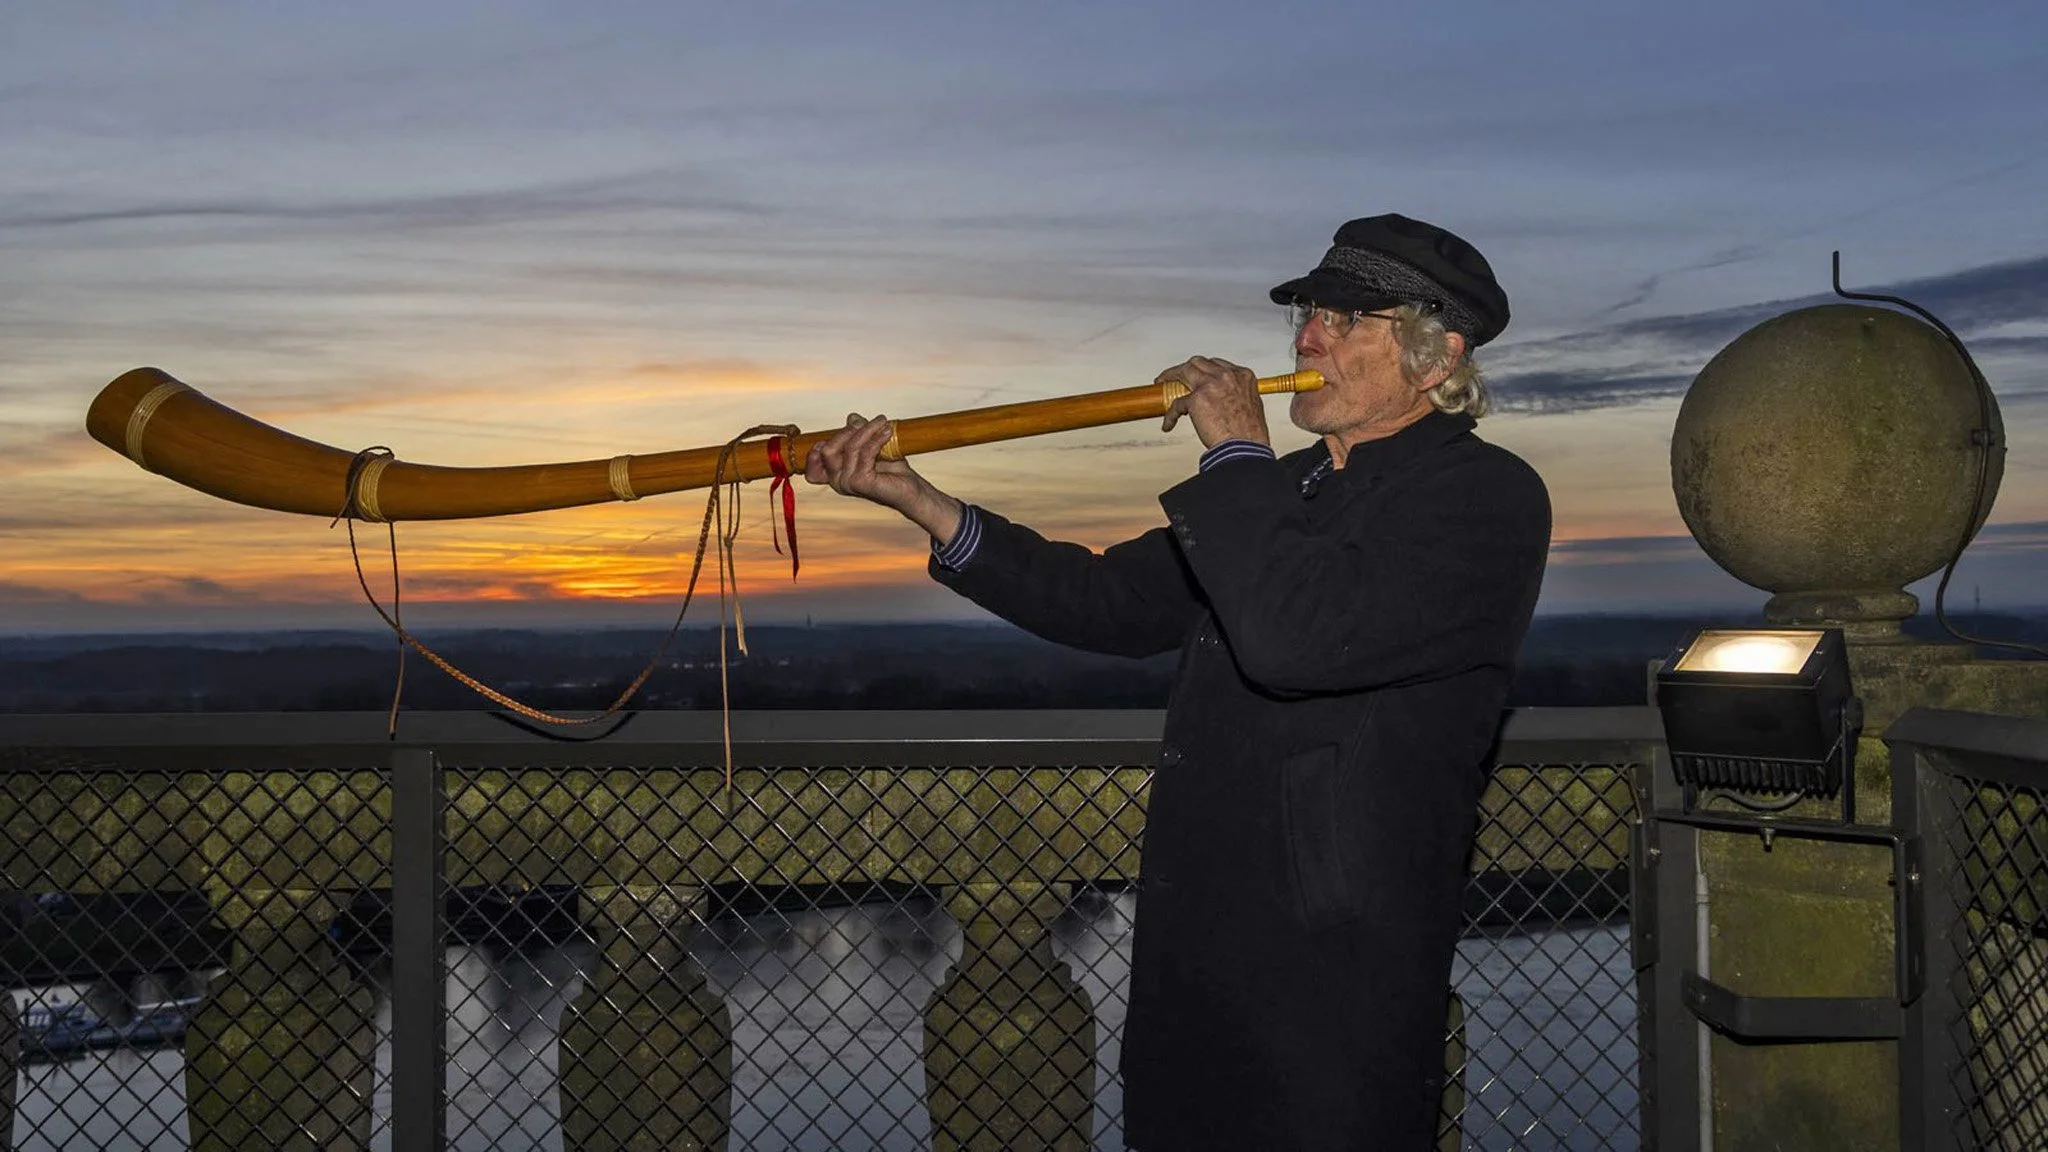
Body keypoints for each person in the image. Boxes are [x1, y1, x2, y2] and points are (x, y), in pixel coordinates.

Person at [805, 213, 1551, 1150]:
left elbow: (1295, 639)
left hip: (1333, 985)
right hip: (1196, 970)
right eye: (1308, 316)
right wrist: (919, 500)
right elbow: (1105, 602)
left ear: (1435, 358)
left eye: (1344, 321)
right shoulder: (1286, 495)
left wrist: (1235, 452)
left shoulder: (1483, 498)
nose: (1307, 338)